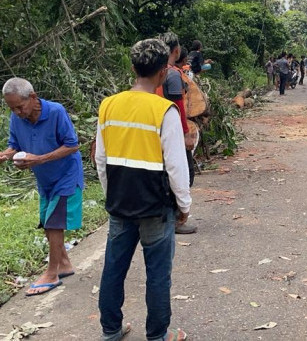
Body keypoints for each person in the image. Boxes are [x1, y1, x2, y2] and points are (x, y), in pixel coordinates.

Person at [95, 38, 190, 341]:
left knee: (113, 270)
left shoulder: (108, 105)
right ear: (164, 72)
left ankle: (111, 331)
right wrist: (184, 206)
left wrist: (112, 193)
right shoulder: (165, 111)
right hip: (155, 208)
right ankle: (157, 336)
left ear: (133, 68)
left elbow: (100, 159)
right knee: (158, 276)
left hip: (120, 204)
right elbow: (176, 166)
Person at [0, 78, 84, 297]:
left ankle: (52, 273)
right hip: (44, 179)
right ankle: (64, 264)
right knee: (46, 223)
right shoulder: (16, 118)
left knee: (54, 223)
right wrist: (6, 155)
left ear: (34, 97)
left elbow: (72, 145)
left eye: (20, 106)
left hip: (66, 174)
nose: (17, 112)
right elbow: (15, 145)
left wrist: (39, 159)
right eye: (12, 108)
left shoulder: (56, 112)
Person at [158, 32, 197, 234]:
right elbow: (178, 106)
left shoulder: (157, 71)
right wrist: (185, 133)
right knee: (184, 172)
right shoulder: (172, 74)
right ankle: (175, 218)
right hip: (171, 128)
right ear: (176, 50)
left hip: (157, 127)